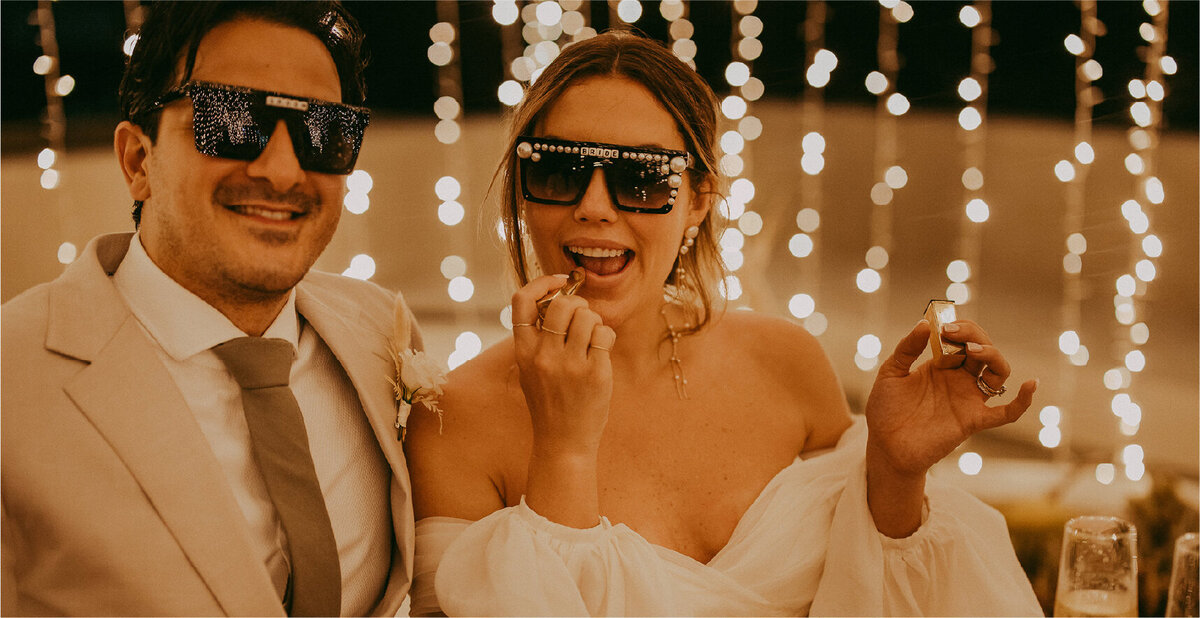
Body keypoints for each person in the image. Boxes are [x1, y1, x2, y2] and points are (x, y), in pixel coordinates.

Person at [405, 30, 1044, 616]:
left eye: (643, 178)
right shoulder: (454, 422)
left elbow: (870, 593)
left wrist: (896, 476)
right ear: (522, 188)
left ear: (697, 202)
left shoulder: (786, 362)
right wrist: (564, 451)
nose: (593, 206)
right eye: (558, 169)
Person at [1, 2, 420, 615]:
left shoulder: (381, 331)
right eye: (231, 119)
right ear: (137, 161)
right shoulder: (12, 376)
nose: (282, 171)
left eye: (323, 132)